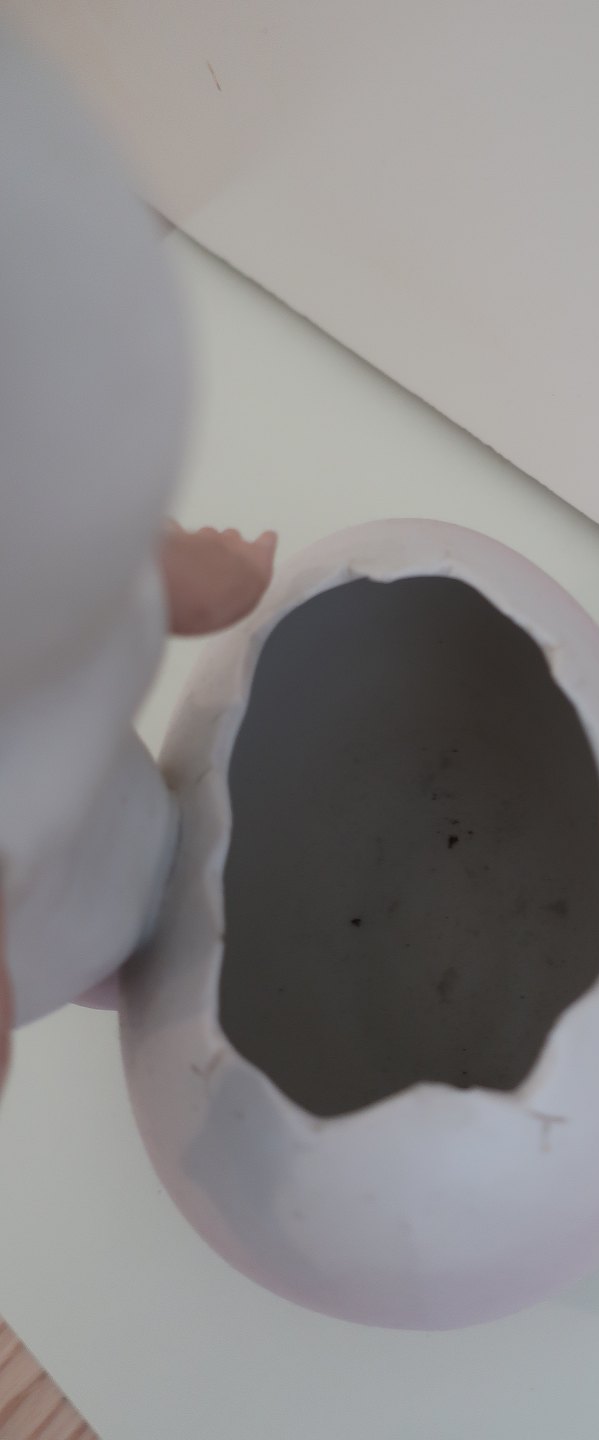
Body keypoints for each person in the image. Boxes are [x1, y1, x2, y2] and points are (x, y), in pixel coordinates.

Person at [0, 32, 276, 1091]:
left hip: (75, 857)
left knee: (108, 869)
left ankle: (119, 947)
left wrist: (157, 573)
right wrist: (165, 576)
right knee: (91, 912)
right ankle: (118, 960)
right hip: (55, 918)